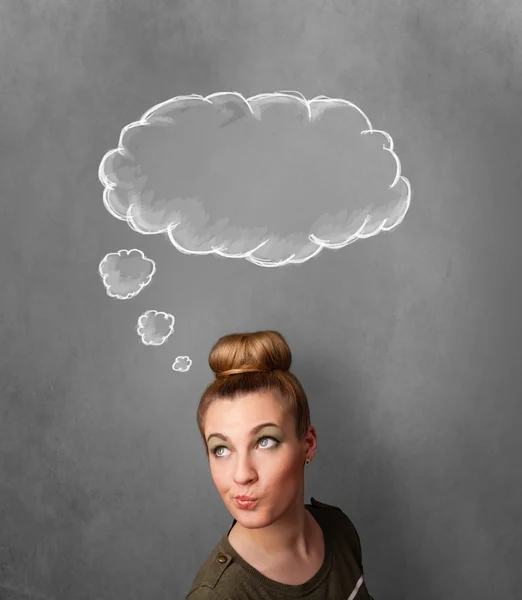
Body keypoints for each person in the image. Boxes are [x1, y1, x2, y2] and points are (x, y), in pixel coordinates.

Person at [185, 330, 375, 599]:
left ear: (307, 444)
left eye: (265, 442)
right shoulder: (219, 595)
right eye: (222, 449)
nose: (242, 475)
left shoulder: (339, 530)